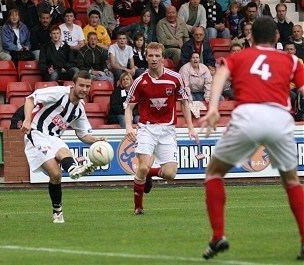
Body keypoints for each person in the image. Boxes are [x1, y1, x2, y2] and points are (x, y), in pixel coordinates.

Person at [199, 16, 304, 260]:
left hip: (248, 115)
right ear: (277, 37)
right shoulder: (292, 60)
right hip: (280, 117)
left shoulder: (239, 57)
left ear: (251, 37)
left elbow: (221, 73)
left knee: (214, 172)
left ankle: (218, 236)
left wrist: (213, 107)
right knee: (291, 180)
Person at [21, 71, 105, 223]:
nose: (84, 89)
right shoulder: (59, 93)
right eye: (81, 85)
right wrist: (27, 120)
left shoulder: (79, 109)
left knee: (62, 156)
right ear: (73, 85)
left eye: (88, 86)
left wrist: (97, 140)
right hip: (36, 133)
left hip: (54, 137)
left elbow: (83, 135)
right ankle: (72, 172)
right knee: (55, 173)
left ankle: (73, 171)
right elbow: (30, 98)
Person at [124, 42, 199, 215]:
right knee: (141, 168)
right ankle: (138, 207)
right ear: (146, 57)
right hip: (147, 129)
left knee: (171, 174)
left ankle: (149, 174)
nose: (154, 59)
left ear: (163, 58)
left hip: (167, 130)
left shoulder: (175, 78)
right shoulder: (140, 81)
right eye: (150, 55)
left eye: (157, 56)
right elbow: (129, 107)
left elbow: (184, 103)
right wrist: (129, 126)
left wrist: (190, 127)